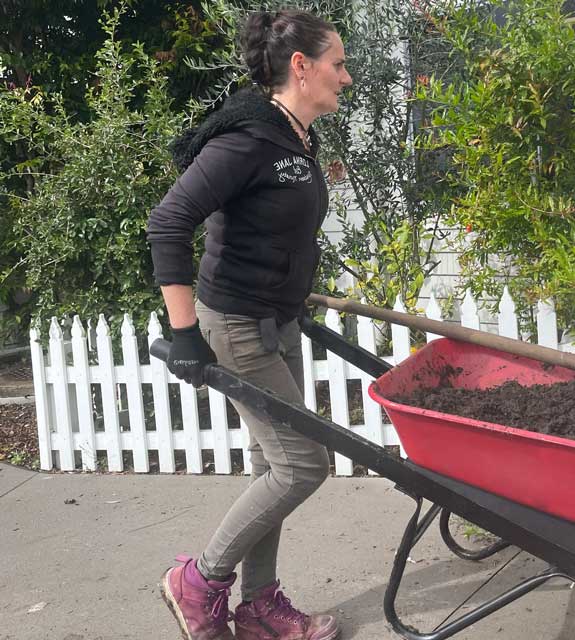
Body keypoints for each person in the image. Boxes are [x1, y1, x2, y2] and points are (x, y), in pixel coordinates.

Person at [146, 9, 352, 640]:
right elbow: (167, 222)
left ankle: (261, 605)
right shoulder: (248, 140)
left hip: (275, 319)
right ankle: (200, 580)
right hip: (236, 324)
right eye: (338, 64)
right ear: (302, 66)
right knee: (302, 465)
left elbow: (270, 228)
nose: (346, 78)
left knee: (273, 467)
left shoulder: (293, 137)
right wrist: (184, 334)